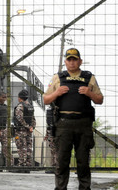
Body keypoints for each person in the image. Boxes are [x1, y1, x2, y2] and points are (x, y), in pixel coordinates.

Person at [44, 48, 103, 190]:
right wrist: (57, 92)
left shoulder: (89, 78)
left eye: (74, 59)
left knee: (83, 161)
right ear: (65, 62)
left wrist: (89, 93)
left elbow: (99, 99)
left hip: (83, 124)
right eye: (69, 60)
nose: (72, 62)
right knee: (62, 161)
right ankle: (60, 188)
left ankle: (84, 187)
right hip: (64, 124)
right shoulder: (58, 78)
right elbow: (46, 100)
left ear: (80, 61)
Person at [14, 89, 36, 168]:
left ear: (20, 97)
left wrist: (27, 126)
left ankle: (21, 165)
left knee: (21, 147)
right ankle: (28, 164)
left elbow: (20, 118)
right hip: (29, 131)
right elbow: (33, 119)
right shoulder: (30, 106)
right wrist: (32, 127)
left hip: (21, 130)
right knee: (29, 147)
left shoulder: (20, 106)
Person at [44, 105, 58, 169]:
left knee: (53, 149)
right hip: (59, 131)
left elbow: (49, 124)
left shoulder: (50, 110)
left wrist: (47, 133)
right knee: (55, 149)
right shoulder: (62, 108)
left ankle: (54, 165)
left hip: (53, 131)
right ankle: (55, 165)